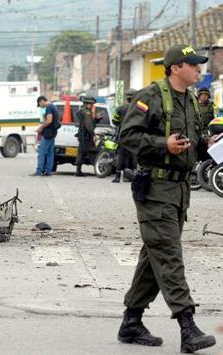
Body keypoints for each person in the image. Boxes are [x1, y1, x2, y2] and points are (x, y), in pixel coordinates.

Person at [118, 44, 216, 353]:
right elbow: (127, 136)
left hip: (180, 191)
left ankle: (131, 323)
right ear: (176, 68)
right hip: (155, 189)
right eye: (193, 65)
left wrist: (206, 144)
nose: (199, 70)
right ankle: (188, 327)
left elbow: (191, 141)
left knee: (154, 257)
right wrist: (163, 145)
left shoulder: (188, 99)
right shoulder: (151, 97)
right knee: (170, 257)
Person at [112, 89, 137, 182]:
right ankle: (133, 175)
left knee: (121, 155)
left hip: (122, 135)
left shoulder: (120, 108)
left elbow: (115, 121)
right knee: (134, 155)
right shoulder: (139, 107)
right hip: (134, 135)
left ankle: (118, 176)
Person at [30, 95, 59, 176]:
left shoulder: (48, 107)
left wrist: (40, 128)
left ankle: (39, 171)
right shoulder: (53, 106)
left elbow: (49, 121)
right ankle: (48, 171)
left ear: (41, 101)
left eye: (40, 105)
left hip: (48, 133)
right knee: (50, 152)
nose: (40, 107)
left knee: (41, 151)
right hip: (53, 132)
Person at [75, 96, 97, 177]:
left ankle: (78, 170)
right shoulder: (87, 112)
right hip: (86, 136)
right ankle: (99, 169)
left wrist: (96, 119)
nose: (92, 106)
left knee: (82, 152)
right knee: (92, 152)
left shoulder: (82, 111)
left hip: (82, 135)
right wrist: (93, 134)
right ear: (87, 104)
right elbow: (88, 125)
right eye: (91, 104)